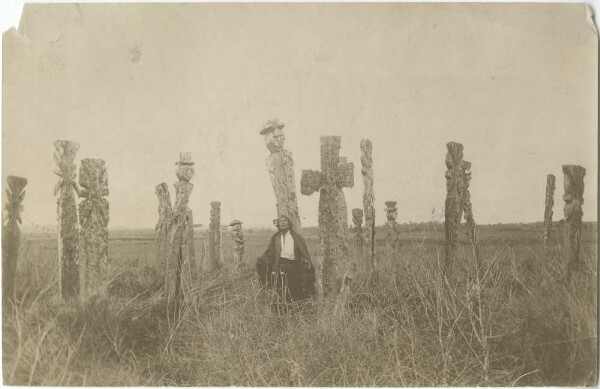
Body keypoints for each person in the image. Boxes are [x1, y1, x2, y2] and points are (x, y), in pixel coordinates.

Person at [257, 216, 316, 305]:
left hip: (293, 266)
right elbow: (270, 252)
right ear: (278, 224)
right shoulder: (275, 237)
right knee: (279, 288)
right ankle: (281, 309)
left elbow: (303, 252)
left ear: (289, 224)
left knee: (293, 288)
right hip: (279, 266)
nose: (283, 223)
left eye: (285, 221)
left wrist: (305, 261)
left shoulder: (296, 237)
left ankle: (294, 309)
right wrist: (262, 260)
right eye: (281, 221)